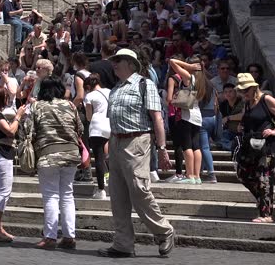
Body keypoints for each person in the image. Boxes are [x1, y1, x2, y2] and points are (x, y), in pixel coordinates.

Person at [99, 49, 174, 258]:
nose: (114, 64)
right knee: (118, 194)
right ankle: (123, 243)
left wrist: (162, 148)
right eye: (113, 60)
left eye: (118, 60)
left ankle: (164, 231)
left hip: (137, 140)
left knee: (139, 189)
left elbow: (157, 118)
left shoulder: (144, 84)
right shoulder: (115, 89)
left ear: (131, 63)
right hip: (116, 141)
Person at [30, 76, 83, 250]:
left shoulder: (38, 106)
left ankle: (50, 237)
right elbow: (80, 129)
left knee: (51, 196)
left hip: (48, 154)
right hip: (71, 153)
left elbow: (29, 130)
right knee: (67, 194)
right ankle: (69, 236)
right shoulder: (70, 105)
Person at [235, 73, 275, 223]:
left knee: (264, 177)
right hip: (252, 145)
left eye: (246, 90)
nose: (243, 93)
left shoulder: (266, 99)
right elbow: (248, 121)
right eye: (241, 90)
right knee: (242, 173)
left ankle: (266, 215)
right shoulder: (247, 103)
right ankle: (262, 199)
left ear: (254, 88)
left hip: (268, 145)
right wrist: (241, 126)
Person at [0, 85, 25, 242]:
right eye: (5, 96)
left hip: (3, 153)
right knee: (3, 191)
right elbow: (10, 131)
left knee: (2, 191)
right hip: (1, 154)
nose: (8, 98)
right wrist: (18, 116)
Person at [168, 57, 206, 184]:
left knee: (187, 146)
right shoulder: (202, 79)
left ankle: (189, 175)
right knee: (196, 146)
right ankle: (197, 176)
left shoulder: (189, 77)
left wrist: (188, 66)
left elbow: (172, 61)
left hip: (187, 115)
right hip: (197, 115)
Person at [83, 74, 111, 199]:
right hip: (110, 124)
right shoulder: (110, 92)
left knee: (99, 158)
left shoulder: (90, 96)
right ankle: (113, 183)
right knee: (110, 156)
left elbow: (89, 116)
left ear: (88, 86)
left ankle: (101, 189)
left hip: (97, 126)